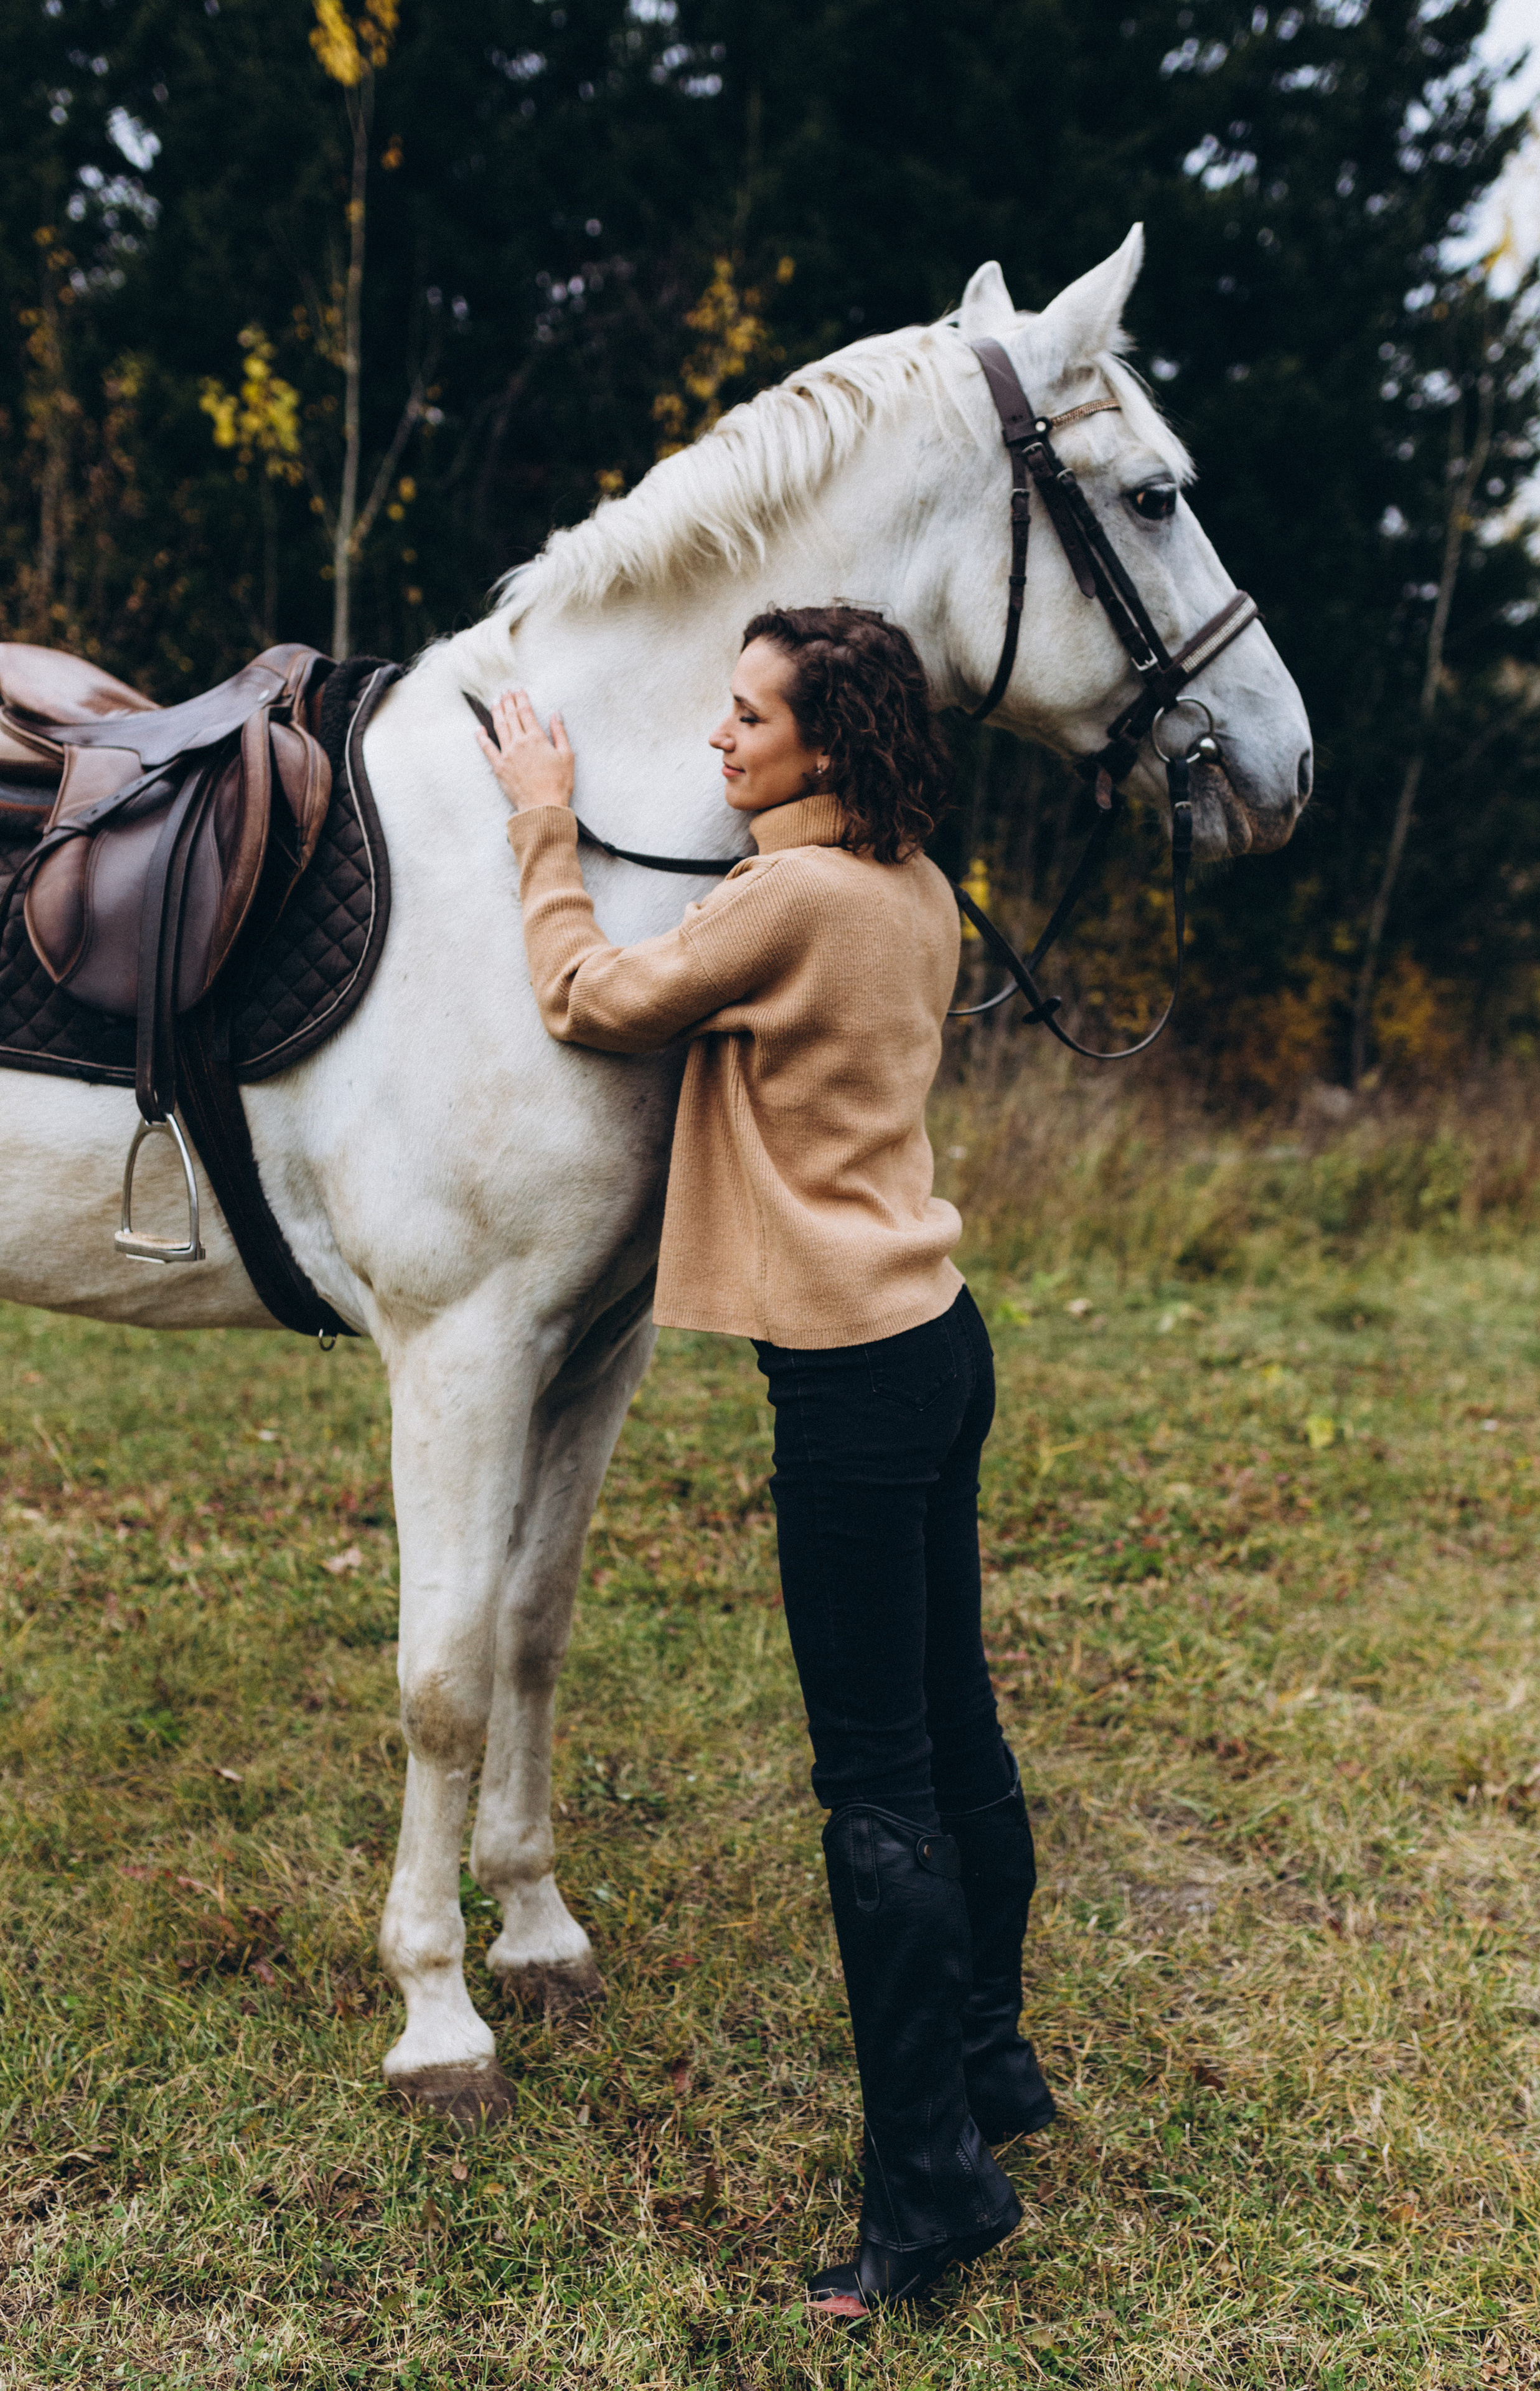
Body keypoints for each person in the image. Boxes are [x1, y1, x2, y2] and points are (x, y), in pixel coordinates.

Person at [479, 605, 1054, 2325]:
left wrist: (543, 822)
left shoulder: (787, 900)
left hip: (854, 1385)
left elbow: (590, 998)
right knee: (956, 1727)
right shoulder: (913, 886)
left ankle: (931, 2189)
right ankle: (993, 2062)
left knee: (875, 1781)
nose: (720, 738)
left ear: (829, 742)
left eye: (750, 716)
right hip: (936, 1339)